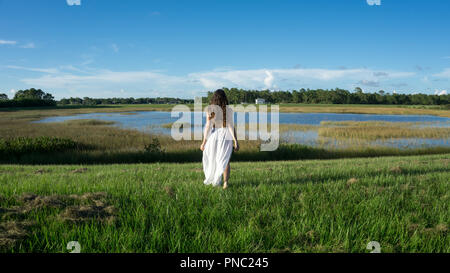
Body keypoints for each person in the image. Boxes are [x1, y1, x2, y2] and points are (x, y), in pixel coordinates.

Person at [200, 89, 239, 189]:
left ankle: (215, 180)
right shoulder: (228, 110)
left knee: (214, 158)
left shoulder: (210, 109)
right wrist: (236, 140)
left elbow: (208, 126)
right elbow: (230, 126)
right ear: (224, 98)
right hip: (225, 135)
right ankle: (225, 182)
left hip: (214, 135)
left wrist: (204, 142)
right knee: (225, 160)